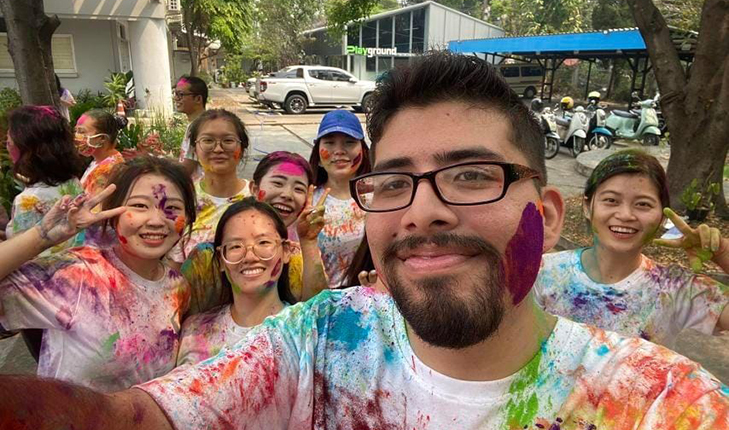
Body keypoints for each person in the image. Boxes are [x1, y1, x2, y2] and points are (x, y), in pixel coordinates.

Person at [1, 52, 727, 430]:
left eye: (471, 176)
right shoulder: (322, 339)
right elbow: (136, 420)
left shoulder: (660, 400)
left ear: (545, 207)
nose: (424, 212)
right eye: (396, 181)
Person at [0, 156, 196, 392]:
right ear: (114, 215)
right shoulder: (78, 275)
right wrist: (42, 236)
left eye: (172, 208)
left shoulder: (178, 288)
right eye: (139, 206)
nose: (156, 220)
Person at [534, 149, 729, 348]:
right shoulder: (543, 272)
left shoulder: (675, 288)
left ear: (661, 216)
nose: (626, 215)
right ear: (587, 207)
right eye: (611, 200)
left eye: (643, 204)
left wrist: (722, 254)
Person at [180, 151, 328, 314]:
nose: (287, 195)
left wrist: (308, 242)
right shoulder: (205, 258)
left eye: (298, 189)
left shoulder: (299, 257)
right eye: (278, 183)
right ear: (254, 189)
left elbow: (318, 315)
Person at [176, 198, 297, 366]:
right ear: (221, 260)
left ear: (285, 251)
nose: (250, 257)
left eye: (263, 242)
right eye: (235, 246)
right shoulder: (194, 332)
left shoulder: (303, 332)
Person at [167, 109, 250, 269]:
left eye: (228, 140)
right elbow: (173, 268)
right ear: (194, 149)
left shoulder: (257, 199)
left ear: (242, 147)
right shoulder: (182, 200)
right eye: (208, 140)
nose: (218, 149)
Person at [4, 106, 85, 255]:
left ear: (25, 147)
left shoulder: (28, 200)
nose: (7, 144)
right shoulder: (71, 181)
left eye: (9, 139)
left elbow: (20, 258)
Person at [308, 109, 370, 287]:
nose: (339, 151)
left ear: (363, 151)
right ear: (318, 154)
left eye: (349, 143)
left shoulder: (380, 196)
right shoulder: (307, 199)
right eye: (329, 143)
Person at [74, 109, 127, 196]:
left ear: (102, 138)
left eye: (82, 132)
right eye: (76, 131)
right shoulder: (99, 160)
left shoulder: (107, 169)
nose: (77, 136)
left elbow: (94, 207)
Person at [174, 75, 208, 177]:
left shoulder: (199, 127)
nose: (176, 99)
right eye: (175, 94)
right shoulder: (195, 124)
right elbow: (184, 161)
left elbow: (185, 169)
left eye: (181, 94)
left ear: (198, 99)